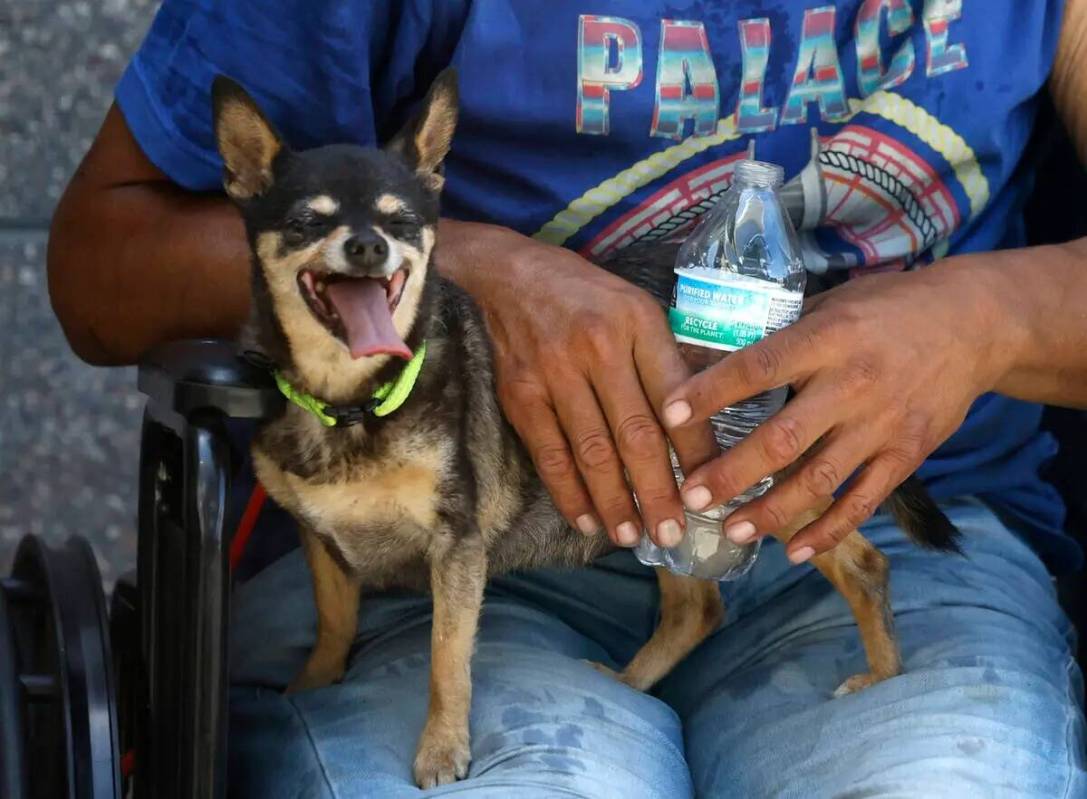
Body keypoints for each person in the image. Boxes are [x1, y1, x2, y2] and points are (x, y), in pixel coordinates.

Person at [49, 0, 1087, 796]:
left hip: (869, 526)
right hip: (437, 560)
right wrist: (466, 268)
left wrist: (991, 316)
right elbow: (100, 266)